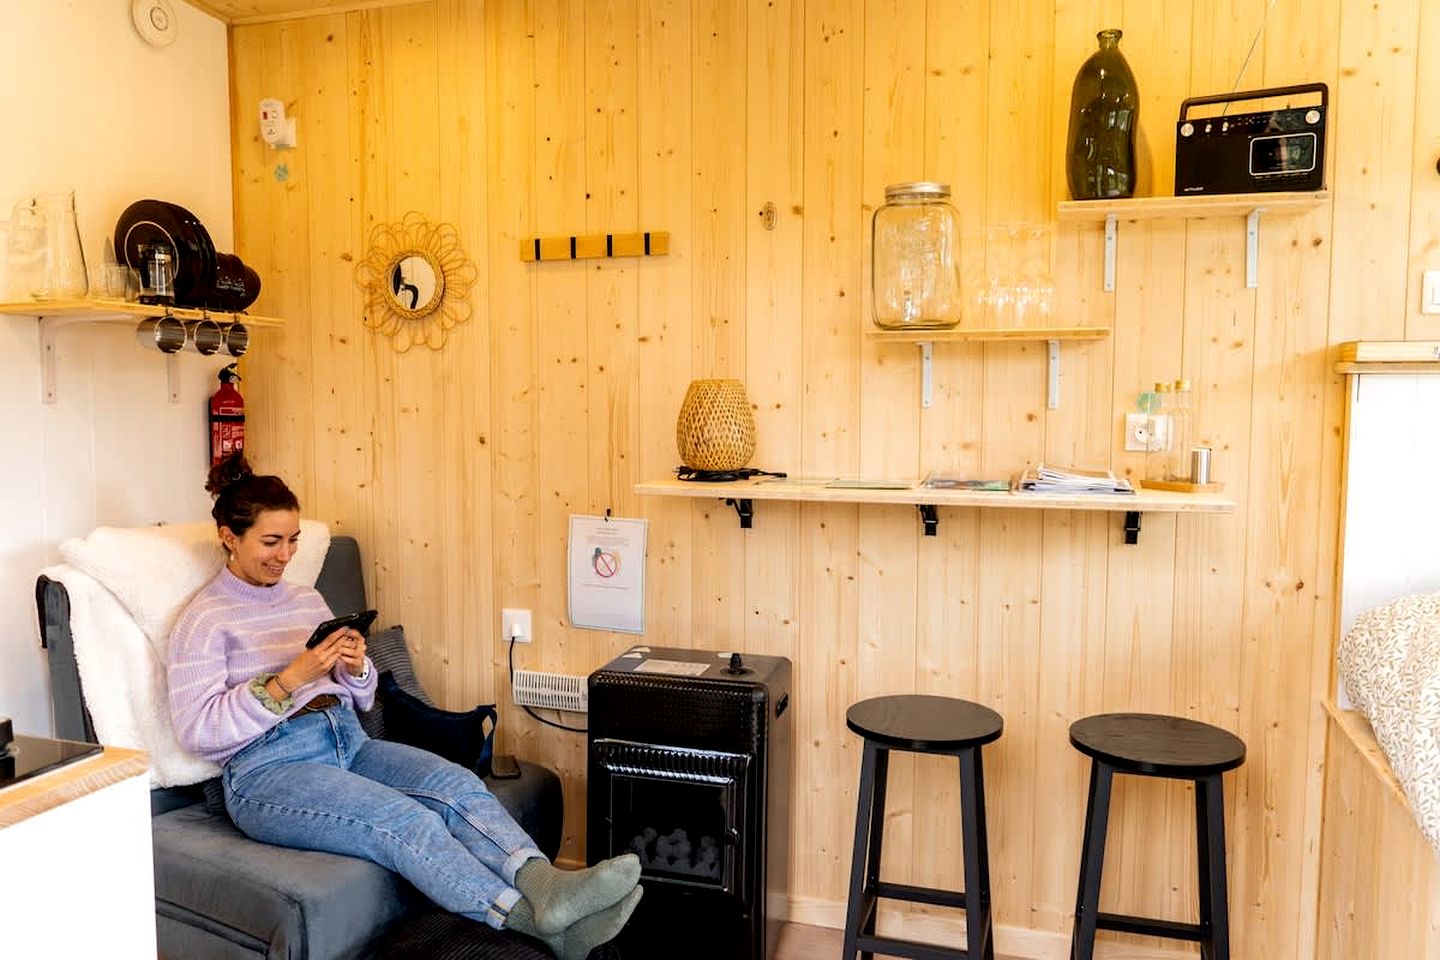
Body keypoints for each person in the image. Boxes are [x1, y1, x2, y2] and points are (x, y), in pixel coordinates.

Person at [168, 452, 640, 959]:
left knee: (456, 786)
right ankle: (535, 924)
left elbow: (363, 694)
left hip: (347, 739)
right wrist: (287, 681)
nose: (284, 556)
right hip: (268, 769)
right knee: (405, 820)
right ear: (229, 537)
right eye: (270, 542)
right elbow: (198, 731)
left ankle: (549, 886)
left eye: (292, 540)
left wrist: (354, 667)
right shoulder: (204, 620)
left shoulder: (304, 600)